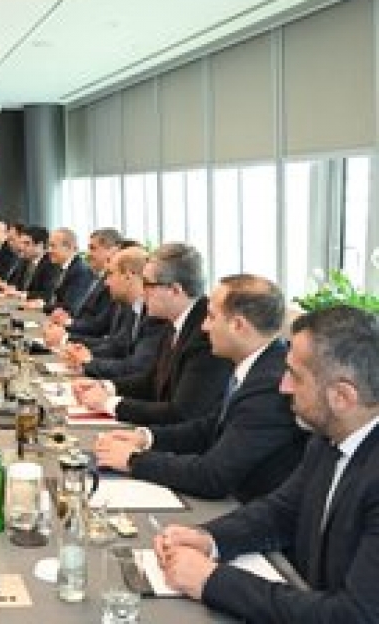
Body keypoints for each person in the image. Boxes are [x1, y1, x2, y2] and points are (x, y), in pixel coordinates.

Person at [155, 306, 379, 623]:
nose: (283, 387)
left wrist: (211, 580)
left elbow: (352, 615)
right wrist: (209, 538)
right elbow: (281, 512)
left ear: (342, 396)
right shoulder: (327, 438)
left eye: (295, 376)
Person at [94, 274, 307, 502]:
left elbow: (212, 476)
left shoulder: (270, 385)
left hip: (243, 505)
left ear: (238, 325)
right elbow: (208, 428)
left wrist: (133, 460)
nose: (204, 327)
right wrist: (145, 438)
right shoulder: (257, 365)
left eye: (211, 317)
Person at [74, 242, 233, 425]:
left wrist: (109, 403)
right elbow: (151, 381)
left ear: (175, 290)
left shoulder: (205, 335)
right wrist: (105, 387)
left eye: (147, 284)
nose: (142, 292)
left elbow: (180, 413)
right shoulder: (175, 320)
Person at [60, 246, 171, 380]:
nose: (106, 282)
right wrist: (82, 353)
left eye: (111, 274)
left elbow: (136, 366)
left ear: (128, 276)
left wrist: (89, 362)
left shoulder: (155, 313)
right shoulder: (132, 306)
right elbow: (117, 346)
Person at [46, 227, 121, 340]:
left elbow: (99, 327)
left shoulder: (113, 284)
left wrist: (66, 328)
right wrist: (65, 320)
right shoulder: (99, 277)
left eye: (93, 248)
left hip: (88, 342)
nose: (88, 254)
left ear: (112, 251)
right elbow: (83, 314)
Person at [24, 227, 93, 314]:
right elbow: (52, 296)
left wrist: (43, 306)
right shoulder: (60, 267)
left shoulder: (81, 271)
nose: (49, 250)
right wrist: (42, 302)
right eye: (49, 246)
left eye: (53, 246)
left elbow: (69, 306)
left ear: (68, 247)